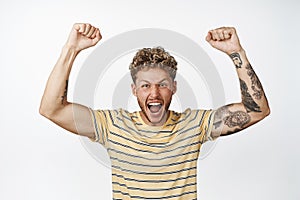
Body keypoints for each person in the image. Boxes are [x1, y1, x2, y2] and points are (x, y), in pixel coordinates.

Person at [39, 23, 270, 199]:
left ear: (174, 87)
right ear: (134, 90)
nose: (154, 93)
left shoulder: (194, 124)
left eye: (162, 84)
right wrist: (71, 49)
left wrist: (236, 52)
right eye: (145, 85)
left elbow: (257, 110)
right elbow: (52, 109)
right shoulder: (111, 125)